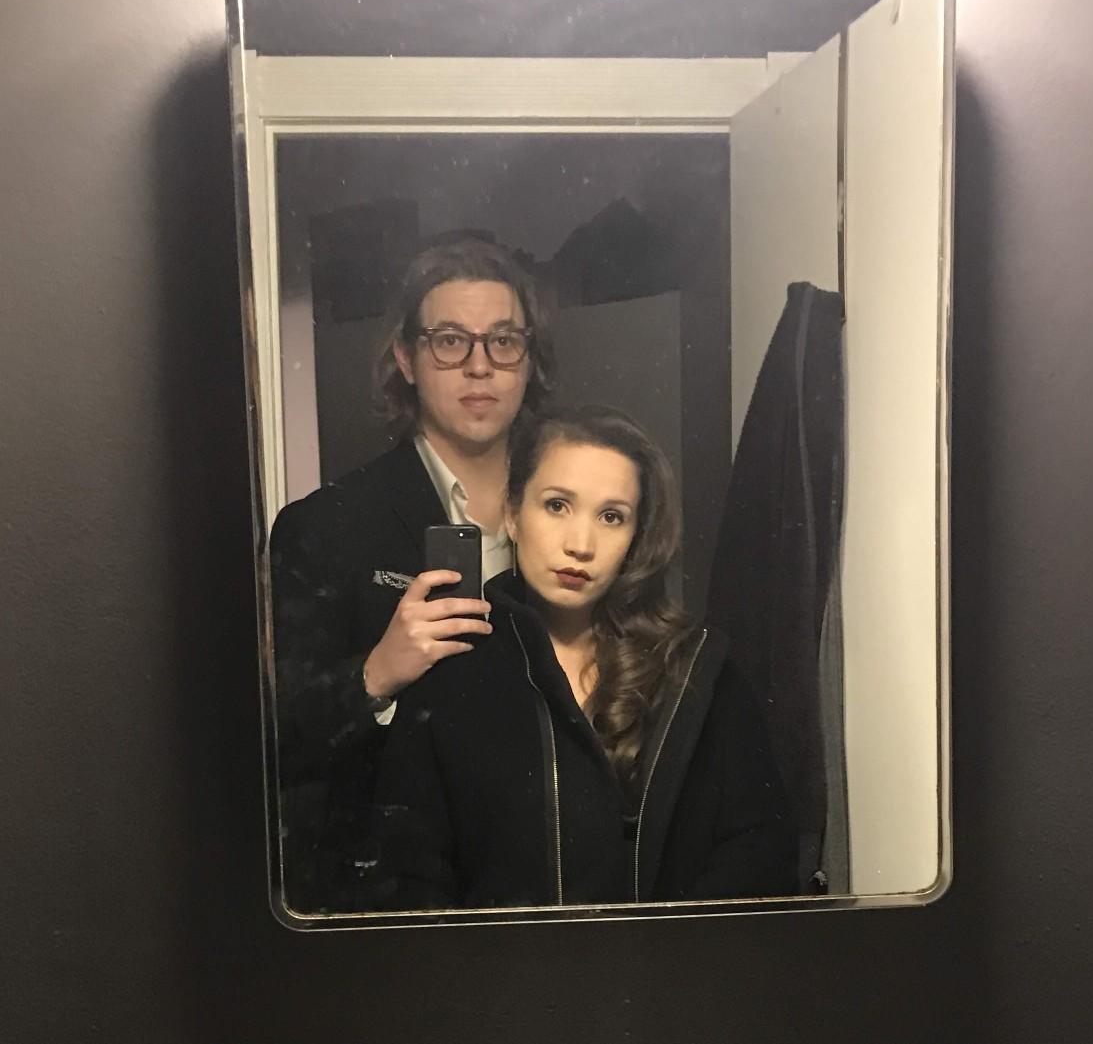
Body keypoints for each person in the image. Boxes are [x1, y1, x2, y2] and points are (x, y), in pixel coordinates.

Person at [370, 406, 798, 910]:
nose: (580, 545)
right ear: (512, 514)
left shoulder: (695, 671)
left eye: (611, 516)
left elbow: (759, 852)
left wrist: (667, 949)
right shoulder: (455, 670)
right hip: (497, 963)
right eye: (557, 505)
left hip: (678, 960)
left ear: (636, 537)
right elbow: (410, 875)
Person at [269, 234, 554, 913]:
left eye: (503, 340)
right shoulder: (328, 526)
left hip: (547, 881)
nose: (479, 366)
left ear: (527, 358)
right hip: (394, 901)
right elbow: (274, 745)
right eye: (449, 341)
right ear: (406, 357)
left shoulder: (567, 510)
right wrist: (377, 673)